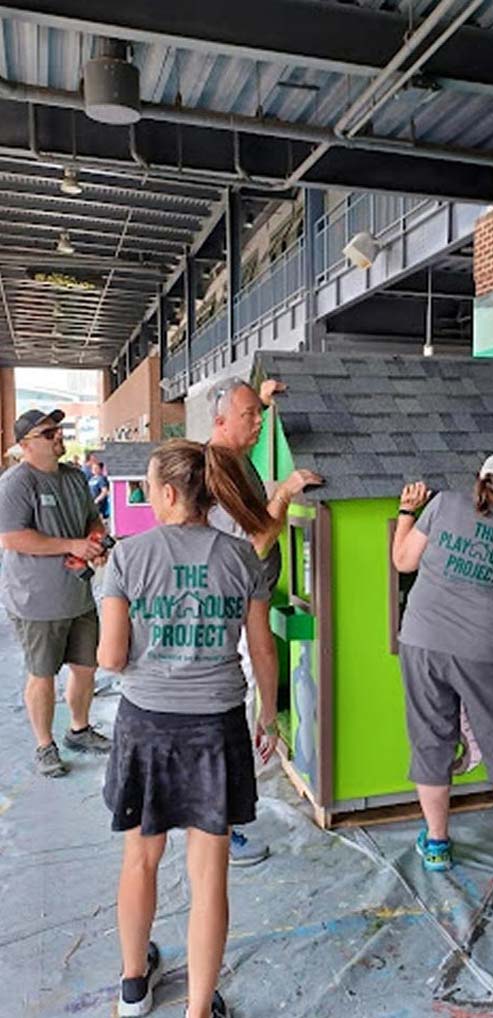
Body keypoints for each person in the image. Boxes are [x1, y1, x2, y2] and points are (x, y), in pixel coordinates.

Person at [99, 439, 281, 1018]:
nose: (148, 497)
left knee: (141, 860)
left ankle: (133, 987)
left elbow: (109, 657)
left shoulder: (127, 557)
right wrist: (269, 715)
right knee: (209, 878)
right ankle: (198, 1009)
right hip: (216, 726)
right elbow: (262, 649)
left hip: (146, 724)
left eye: (150, 488)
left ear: (171, 493)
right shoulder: (241, 558)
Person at [392, 450, 493, 879]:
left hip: (424, 640)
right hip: (486, 646)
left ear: (481, 477)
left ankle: (436, 844)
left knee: (431, 739)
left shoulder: (443, 504)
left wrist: (405, 513)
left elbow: (402, 561)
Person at [206, 376, 322, 866]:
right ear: (219, 422)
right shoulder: (219, 471)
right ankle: (222, 832)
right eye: (250, 415)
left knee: (245, 710)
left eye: (260, 413)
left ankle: (222, 822)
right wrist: (288, 491)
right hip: (234, 608)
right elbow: (253, 543)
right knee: (234, 721)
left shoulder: (233, 458)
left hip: (246, 601)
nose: (258, 422)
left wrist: (263, 396)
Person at [0, 409, 111, 778]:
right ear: (25, 445)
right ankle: (44, 744)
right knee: (42, 672)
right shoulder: (17, 483)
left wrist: (95, 540)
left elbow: (90, 518)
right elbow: (12, 537)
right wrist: (73, 546)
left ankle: (78, 729)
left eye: (58, 430)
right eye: (48, 433)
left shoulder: (75, 477)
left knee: (85, 667)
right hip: (36, 600)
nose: (58, 437)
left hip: (78, 595)